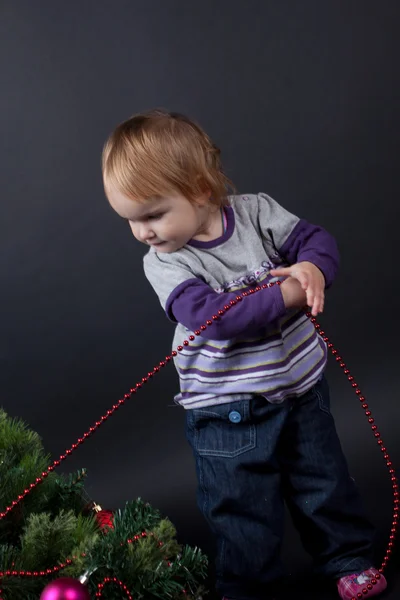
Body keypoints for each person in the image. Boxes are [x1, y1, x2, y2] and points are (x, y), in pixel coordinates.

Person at [101, 109, 387, 600]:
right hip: (227, 410)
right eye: (129, 220)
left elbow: (314, 239)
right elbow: (217, 319)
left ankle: (347, 558)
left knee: (325, 483)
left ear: (201, 191)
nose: (142, 232)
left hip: (300, 387)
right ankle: (252, 589)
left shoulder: (256, 212)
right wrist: (290, 295)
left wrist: (314, 268)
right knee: (242, 507)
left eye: (151, 215)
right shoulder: (166, 263)